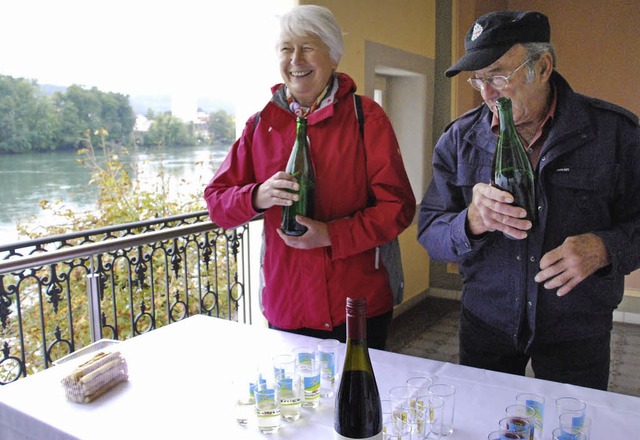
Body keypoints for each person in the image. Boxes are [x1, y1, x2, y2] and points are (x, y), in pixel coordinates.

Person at [418, 10, 640, 390]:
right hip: (486, 323)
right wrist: (469, 221)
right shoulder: (458, 140)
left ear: (543, 66)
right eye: (479, 79)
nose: (487, 94)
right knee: (484, 421)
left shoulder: (614, 133)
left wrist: (605, 249)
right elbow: (430, 231)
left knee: (573, 424)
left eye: (499, 75)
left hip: (578, 328)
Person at [204, 5, 415, 349]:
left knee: (356, 400)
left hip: (356, 306)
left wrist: (332, 235)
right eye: (287, 48)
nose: (295, 59)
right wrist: (257, 196)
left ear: (332, 55)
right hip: (287, 308)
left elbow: (398, 207)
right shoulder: (261, 125)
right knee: (296, 402)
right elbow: (217, 202)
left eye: (308, 47)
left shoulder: (367, 118)